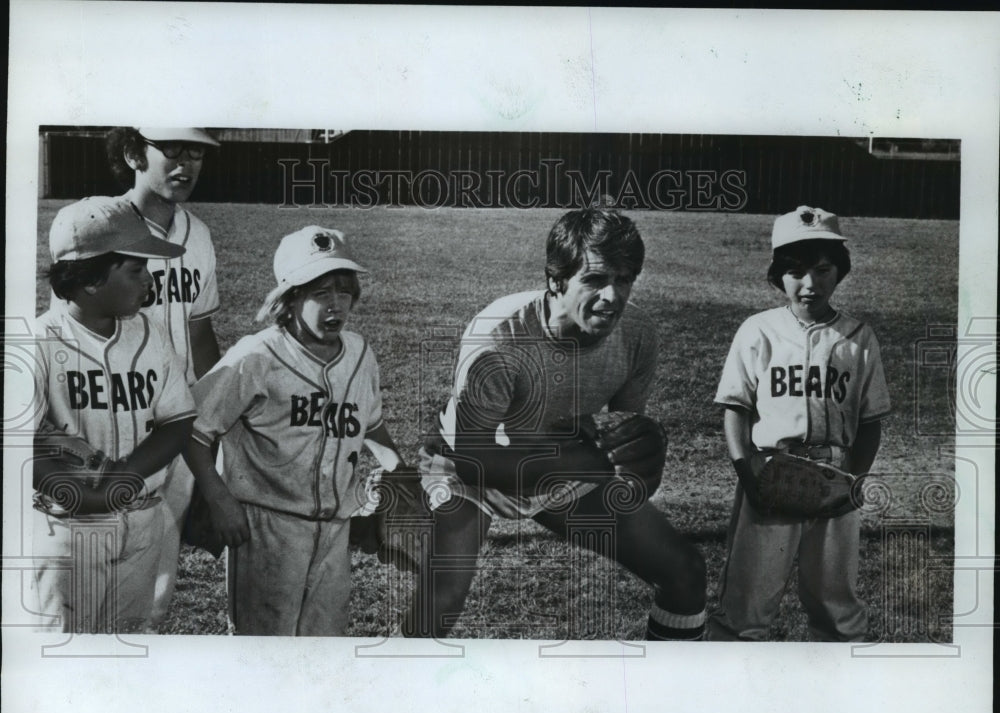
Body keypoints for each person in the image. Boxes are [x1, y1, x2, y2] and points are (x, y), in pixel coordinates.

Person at [406, 207, 707, 640]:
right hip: (474, 468)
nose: (612, 297)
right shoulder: (499, 336)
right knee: (441, 601)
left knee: (684, 570)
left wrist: (641, 451)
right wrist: (593, 464)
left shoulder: (637, 332)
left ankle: (658, 697)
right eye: (595, 279)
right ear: (555, 280)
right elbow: (472, 460)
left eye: (624, 279)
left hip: (563, 465)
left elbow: (621, 443)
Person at [185, 226, 409, 636]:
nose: (335, 305)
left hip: (335, 532)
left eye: (344, 291)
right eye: (320, 293)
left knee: (323, 651)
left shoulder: (359, 352)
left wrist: (399, 470)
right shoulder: (257, 357)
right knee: (264, 653)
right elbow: (192, 430)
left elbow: (372, 425)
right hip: (268, 529)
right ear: (289, 299)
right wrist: (219, 499)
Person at [707, 205, 891, 642]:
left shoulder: (858, 336)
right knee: (744, 608)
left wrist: (854, 480)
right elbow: (735, 408)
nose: (809, 284)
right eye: (794, 272)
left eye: (823, 270)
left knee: (836, 608)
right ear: (778, 276)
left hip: (835, 474)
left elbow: (870, 421)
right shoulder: (759, 330)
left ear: (839, 271)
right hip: (771, 471)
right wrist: (745, 470)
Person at [32, 196, 196, 633]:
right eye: (135, 270)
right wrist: (84, 497)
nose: (148, 280)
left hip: (141, 516)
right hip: (68, 527)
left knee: (125, 650)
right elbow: (19, 446)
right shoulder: (38, 342)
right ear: (89, 280)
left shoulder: (149, 332)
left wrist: (126, 477)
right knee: (66, 656)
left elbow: (178, 421)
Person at [105, 126, 223, 629]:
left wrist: (214, 416)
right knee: (104, 570)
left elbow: (200, 329)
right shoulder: (100, 226)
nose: (185, 162)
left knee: (157, 585)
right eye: (170, 149)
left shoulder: (198, 234)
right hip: (117, 422)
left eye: (195, 151)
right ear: (134, 152)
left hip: (181, 423)